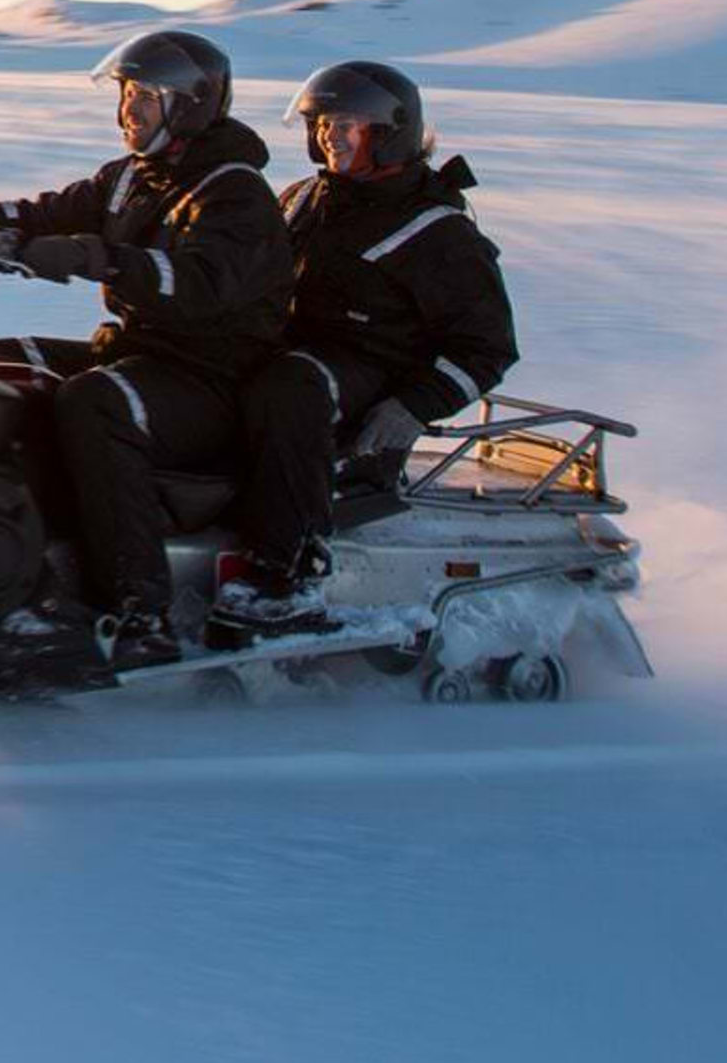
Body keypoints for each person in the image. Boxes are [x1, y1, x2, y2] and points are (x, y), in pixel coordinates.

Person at [0, 30, 289, 667]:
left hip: (213, 376)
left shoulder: (234, 192)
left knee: (95, 401)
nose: (128, 111)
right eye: (127, 95)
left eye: (145, 98)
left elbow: (199, 282)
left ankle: (139, 610)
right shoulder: (132, 177)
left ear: (187, 104)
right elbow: (45, 211)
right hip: (136, 351)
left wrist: (95, 258)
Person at [212, 59, 521, 633]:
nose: (329, 133)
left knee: (292, 385)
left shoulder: (438, 232)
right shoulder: (304, 198)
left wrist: (412, 408)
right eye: (323, 121)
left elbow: (488, 346)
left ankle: (289, 574)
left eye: (346, 122)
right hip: (292, 357)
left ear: (389, 132)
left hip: (370, 381)